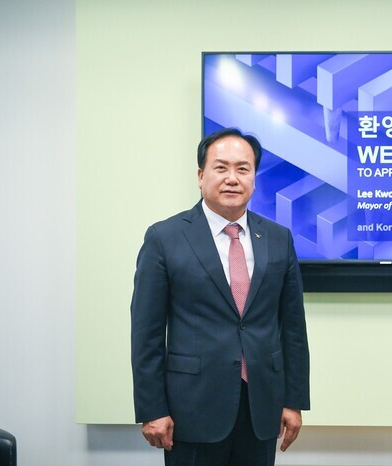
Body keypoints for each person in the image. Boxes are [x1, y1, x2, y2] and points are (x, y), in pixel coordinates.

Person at [131, 128, 310, 465]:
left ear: (254, 179)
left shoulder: (278, 238)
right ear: (201, 176)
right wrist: (152, 408)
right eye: (221, 167)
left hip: (261, 407)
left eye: (243, 169)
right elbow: (147, 333)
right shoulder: (165, 238)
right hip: (191, 408)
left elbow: (293, 329)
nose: (232, 178)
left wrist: (294, 400)